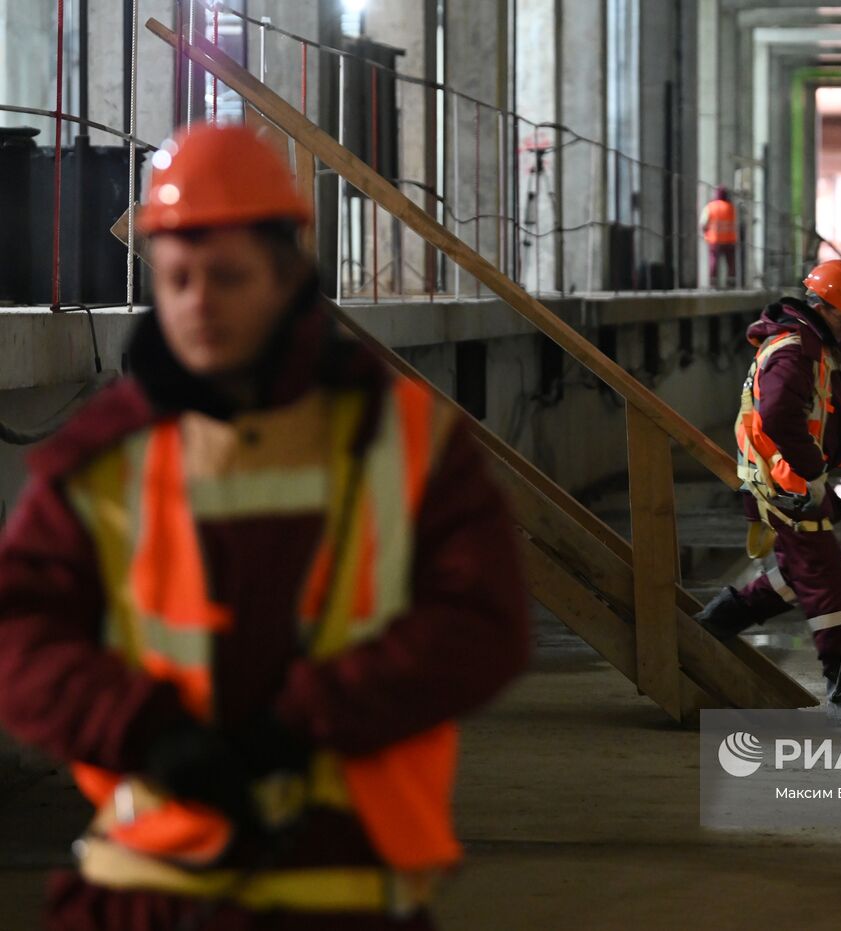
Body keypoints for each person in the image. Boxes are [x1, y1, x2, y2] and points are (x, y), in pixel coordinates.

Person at [0, 123, 530, 929]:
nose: (196, 303)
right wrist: (148, 731)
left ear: (289, 272)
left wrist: (304, 722)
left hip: (339, 887)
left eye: (227, 277)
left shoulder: (402, 443)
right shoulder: (104, 461)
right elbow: (19, 632)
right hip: (153, 887)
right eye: (176, 279)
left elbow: (482, 622)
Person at [693, 259, 841, 729]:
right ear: (820, 305)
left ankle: (715, 623)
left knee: (800, 574)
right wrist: (812, 469)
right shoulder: (795, 349)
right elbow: (779, 414)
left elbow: (820, 412)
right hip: (786, 486)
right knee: (826, 579)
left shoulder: (813, 345)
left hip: (792, 481)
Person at [700, 185, 738, 289]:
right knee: (731, 263)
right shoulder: (731, 207)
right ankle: (731, 282)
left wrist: (705, 234)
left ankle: (713, 283)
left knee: (714, 261)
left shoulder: (710, 207)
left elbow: (703, 223)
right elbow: (737, 224)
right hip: (729, 240)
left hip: (714, 240)